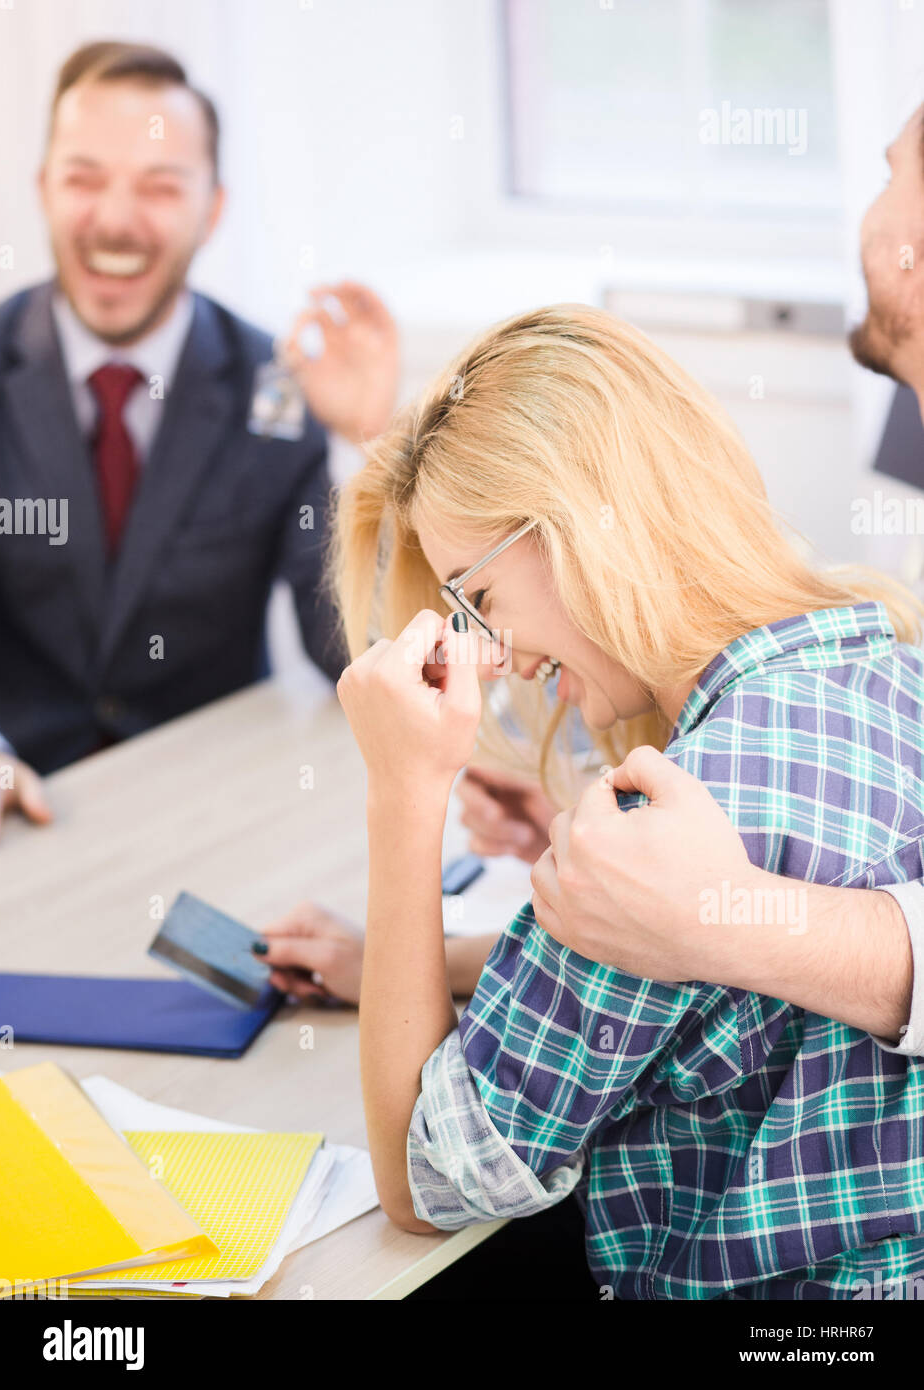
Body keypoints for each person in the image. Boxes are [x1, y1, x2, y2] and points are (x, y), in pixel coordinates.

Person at [259, 104, 924, 1054]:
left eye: (892, 173)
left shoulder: (735, 761)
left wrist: (714, 913)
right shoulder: (865, 661)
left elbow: (425, 1182)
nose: (867, 219)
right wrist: (588, 906)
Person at [332, 303, 924, 1298]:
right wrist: (424, 958)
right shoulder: (892, 671)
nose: (502, 652)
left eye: (477, 600)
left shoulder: (673, 816)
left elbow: (425, 1173)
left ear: (572, 532)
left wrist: (402, 796)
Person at [0, 40, 399, 840]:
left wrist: (369, 444)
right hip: (18, 816)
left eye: (159, 186)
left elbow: (356, 653)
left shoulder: (276, 386)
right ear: (43, 191)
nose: (114, 220)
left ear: (211, 209)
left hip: (210, 814)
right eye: (83, 179)